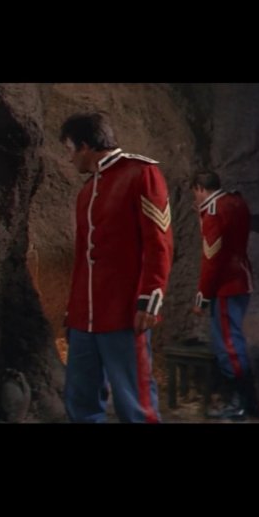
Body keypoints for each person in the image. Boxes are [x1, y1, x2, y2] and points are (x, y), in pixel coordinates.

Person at [61, 112, 174, 423]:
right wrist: (73, 312)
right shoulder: (87, 191)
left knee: (134, 401)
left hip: (124, 312)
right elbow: (83, 258)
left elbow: (159, 242)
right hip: (84, 318)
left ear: (85, 146)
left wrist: (149, 300)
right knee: (80, 400)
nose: (69, 159)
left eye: (70, 150)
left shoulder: (141, 173)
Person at [190, 171, 258, 420]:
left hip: (226, 286)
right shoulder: (236, 202)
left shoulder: (213, 212)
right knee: (234, 342)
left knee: (227, 346)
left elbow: (212, 260)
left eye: (195, 193)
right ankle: (249, 401)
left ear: (200, 188)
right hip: (242, 280)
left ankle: (239, 402)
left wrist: (202, 297)